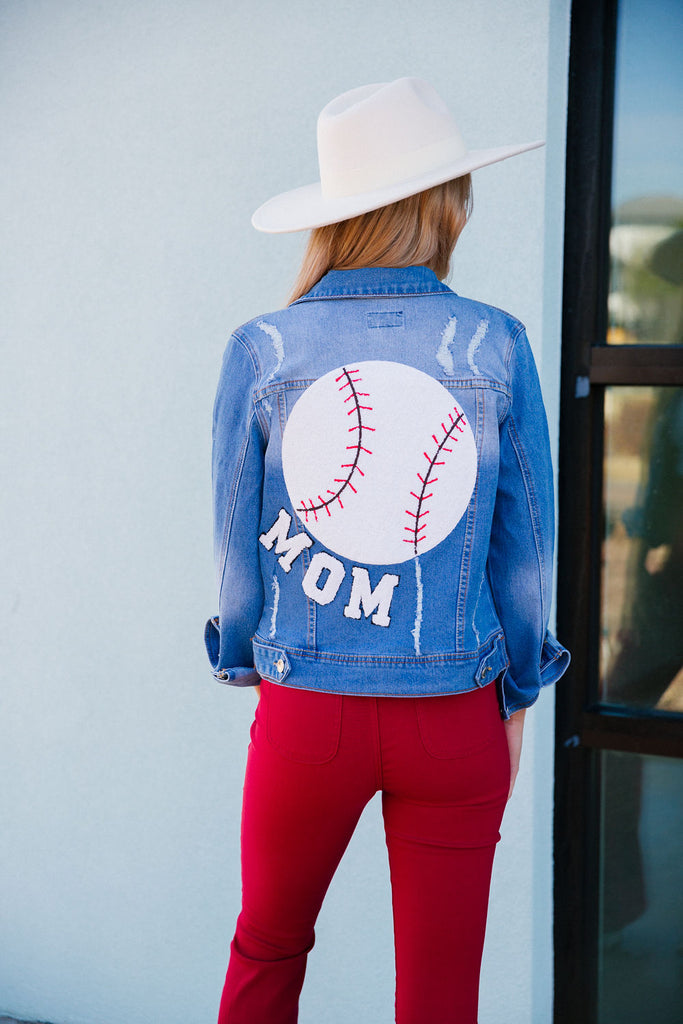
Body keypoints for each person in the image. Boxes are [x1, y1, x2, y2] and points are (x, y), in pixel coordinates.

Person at [204, 77, 570, 1024]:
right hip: (454, 716)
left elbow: (236, 549)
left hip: (305, 714)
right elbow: (525, 550)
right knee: (443, 1000)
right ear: (443, 203)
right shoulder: (494, 344)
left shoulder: (264, 348)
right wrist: (519, 693)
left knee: (266, 952)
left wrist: (249, 658)